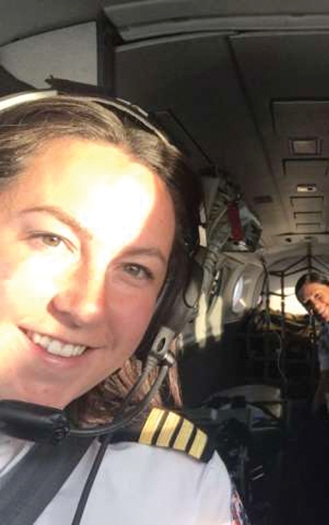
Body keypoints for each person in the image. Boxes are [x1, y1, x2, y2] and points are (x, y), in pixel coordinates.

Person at [0, 92, 248, 524]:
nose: (86, 307)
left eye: (135, 269)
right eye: (52, 239)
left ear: (170, 306)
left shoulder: (177, 486)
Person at [295, 272, 329, 412]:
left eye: (318, 295)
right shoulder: (325, 336)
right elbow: (327, 377)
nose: (315, 306)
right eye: (307, 303)